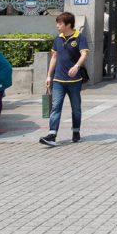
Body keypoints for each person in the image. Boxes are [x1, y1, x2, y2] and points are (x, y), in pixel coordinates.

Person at [40, 12, 90, 147]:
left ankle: (76, 132)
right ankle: (52, 135)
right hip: (58, 80)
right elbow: (54, 57)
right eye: (57, 23)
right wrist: (49, 75)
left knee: (76, 108)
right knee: (55, 107)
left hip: (74, 81)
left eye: (60, 23)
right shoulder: (58, 38)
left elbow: (84, 53)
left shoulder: (80, 37)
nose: (57, 26)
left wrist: (77, 66)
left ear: (68, 24)